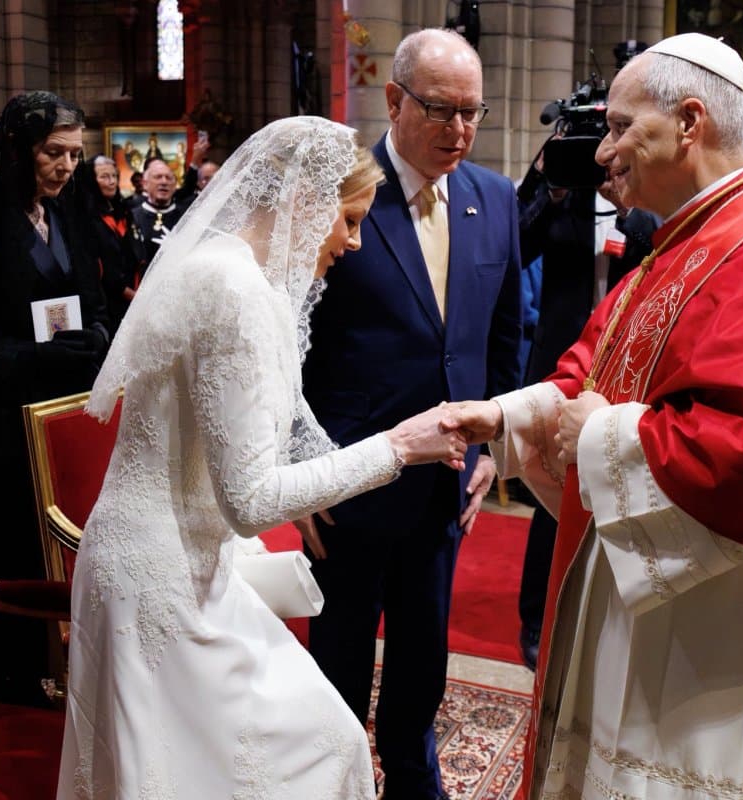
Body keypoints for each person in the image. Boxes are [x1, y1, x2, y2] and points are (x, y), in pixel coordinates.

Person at [447, 34, 743, 800]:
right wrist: (507, 415)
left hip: (716, 644)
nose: (603, 154)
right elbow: (595, 365)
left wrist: (600, 433)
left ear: (689, 122)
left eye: (618, 126)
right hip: (655, 612)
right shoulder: (692, 242)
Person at [59, 115, 468, 800]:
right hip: (165, 578)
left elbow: (284, 433)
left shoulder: (220, 270)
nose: (354, 242)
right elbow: (249, 501)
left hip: (158, 560)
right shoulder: (237, 292)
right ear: (303, 204)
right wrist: (400, 447)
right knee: (316, 744)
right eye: (348, 220)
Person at [300, 28, 522, 800]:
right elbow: (294, 346)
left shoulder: (494, 199)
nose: (459, 131)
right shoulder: (343, 192)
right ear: (393, 100)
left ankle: (411, 773)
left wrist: (495, 443)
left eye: (472, 113)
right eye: (440, 110)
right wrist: (302, 480)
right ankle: (331, 777)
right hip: (348, 481)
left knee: (424, 649)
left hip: (446, 483)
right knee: (340, 655)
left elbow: (503, 332)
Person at [0, 91, 110, 703]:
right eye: (53, 152)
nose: (65, 167)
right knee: (5, 544)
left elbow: (91, 293)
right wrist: (32, 356)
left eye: (75, 155)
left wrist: (97, 336)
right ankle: (9, 681)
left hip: (56, 407)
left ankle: (58, 665)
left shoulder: (66, 211)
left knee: (52, 544)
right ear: (18, 149)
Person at [514, 156, 658, 670]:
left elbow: (654, 255)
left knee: (610, 488)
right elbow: (518, 248)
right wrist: (547, 183)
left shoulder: (647, 198)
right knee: (549, 496)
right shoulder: (565, 196)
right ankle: (536, 618)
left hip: (628, 366)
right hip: (563, 355)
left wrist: (627, 205)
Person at [79, 155, 145, 331]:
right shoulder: (85, 217)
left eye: (114, 176)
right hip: (108, 304)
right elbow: (103, 268)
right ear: (92, 180)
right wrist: (133, 296)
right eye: (104, 177)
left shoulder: (122, 211)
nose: (111, 182)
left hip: (134, 294)